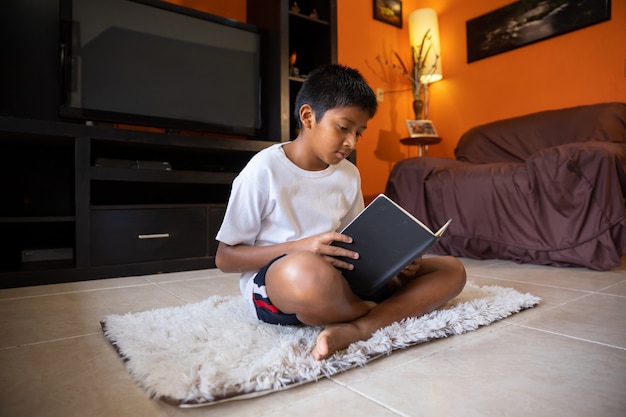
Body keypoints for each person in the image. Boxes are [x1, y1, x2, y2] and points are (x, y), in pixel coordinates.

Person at [215, 64, 466, 360]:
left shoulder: (348, 174)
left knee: (451, 270)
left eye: (359, 132)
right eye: (343, 127)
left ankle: (358, 327)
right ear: (308, 116)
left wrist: (397, 268)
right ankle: (379, 314)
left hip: (342, 279)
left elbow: (357, 244)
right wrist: (302, 248)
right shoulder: (263, 169)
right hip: (284, 282)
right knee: (307, 272)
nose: (351, 142)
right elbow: (225, 258)